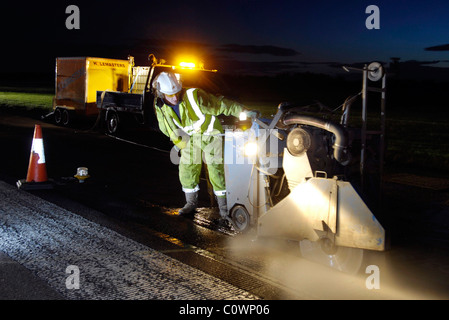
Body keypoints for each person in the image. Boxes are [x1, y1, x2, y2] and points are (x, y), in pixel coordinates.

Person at [152, 71, 250, 226]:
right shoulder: (161, 106)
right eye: (169, 95)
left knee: (216, 170)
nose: (175, 98)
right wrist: (180, 142)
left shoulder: (194, 96)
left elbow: (220, 104)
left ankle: (224, 208)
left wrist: (243, 111)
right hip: (189, 139)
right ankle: (190, 204)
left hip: (210, 134)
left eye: (176, 93)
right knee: (187, 169)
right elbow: (166, 127)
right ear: (160, 94)